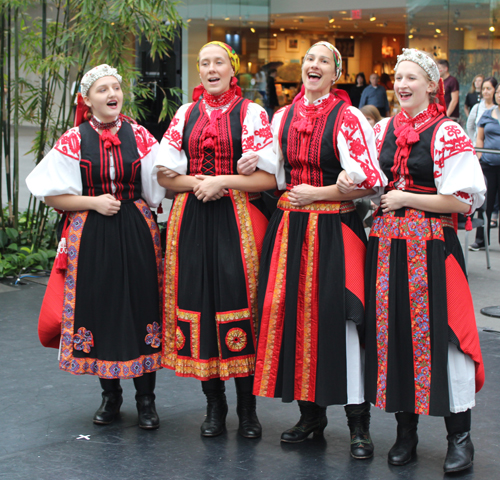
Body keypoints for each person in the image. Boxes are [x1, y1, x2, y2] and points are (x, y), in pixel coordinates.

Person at [339, 48, 486, 474]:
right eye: (397, 78)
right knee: (396, 340)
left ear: (430, 86)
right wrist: (352, 181)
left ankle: (460, 437)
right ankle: (407, 434)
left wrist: (406, 197)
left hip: (434, 251)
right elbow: (370, 183)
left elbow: (462, 199)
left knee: (447, 339)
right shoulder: (383, 129)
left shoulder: (447, 132)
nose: (402, 85)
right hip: (386, 252)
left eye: (411, 78)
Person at [253, 41, 385, 460]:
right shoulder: (282, 115)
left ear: (335, 73)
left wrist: (321, 192)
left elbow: (371, 181)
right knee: (295, 320)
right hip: (291, 228)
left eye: (323, 61)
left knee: (340, 320)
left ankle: (358, 424)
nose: (314, 65)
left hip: (334, 230)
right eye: (309, 59)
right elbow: (271, 173)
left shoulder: (347, 117)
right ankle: (311, 416)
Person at [25, 64, 166, 429]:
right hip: (92, 233)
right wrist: (93, 202)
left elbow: (155, 189)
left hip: (136, 230)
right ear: (87, 100)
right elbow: (49, 193)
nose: (111, 94)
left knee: (141, 306)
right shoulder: (73, 139)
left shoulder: (141, 136)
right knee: (102, 307)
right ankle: (111, 396)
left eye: (115, 87)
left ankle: (147, 401)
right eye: (102, 89)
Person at [154, 41, 277, 439]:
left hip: (236, 222)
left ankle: (247, 407)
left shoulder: (252, 113)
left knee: (238, 304)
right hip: (191, 219)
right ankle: (214, 403)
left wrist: (223, 182)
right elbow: (163, 175)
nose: (210, 68)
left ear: (231, 69)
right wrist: (202, 184)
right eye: (204, 62)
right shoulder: (185, 114)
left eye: (218, 62)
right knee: (198, 304)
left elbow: (270, 179)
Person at [473, 82, 500, 249]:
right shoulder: (487, 114)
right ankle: (481, 240)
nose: (499, 95)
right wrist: (479, 153)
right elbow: (480, 138)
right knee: (486, 203)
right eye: (498, 92)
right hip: (488, 164)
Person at [466, 76, 497, 146]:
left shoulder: (497, 108)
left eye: (488, 89)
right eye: (483, 89)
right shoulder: (477, 107)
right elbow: (469, 126)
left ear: (495, 90)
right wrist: (475, 141)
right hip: (479, 148)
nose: (485, 91)